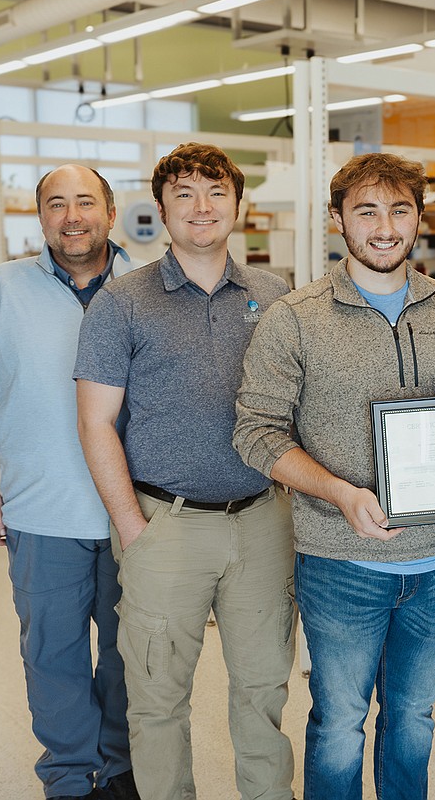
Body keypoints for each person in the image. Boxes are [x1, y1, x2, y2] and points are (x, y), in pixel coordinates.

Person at [232, 152, 435, 800]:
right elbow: (256, 431)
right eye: (366, 210)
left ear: (418, 218)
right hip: (340, 562)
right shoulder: (296, 317)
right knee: (340, 722)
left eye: (400, 209)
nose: (384, 226)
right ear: (337, 220)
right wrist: (340, 492)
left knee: (411, 719)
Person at [73, 143, 295, 800]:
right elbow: (94, 423)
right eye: (186, 193)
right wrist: (132, 527)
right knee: (158, 694)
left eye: (216, 192)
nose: (202, 207)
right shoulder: (121, 303)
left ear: (238, 205)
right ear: (161, 208)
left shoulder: (274, 295)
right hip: (163, 526)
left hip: (260, 522)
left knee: (263, 686)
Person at [0, 164, 140, 800]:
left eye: (86, 202)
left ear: (111, 214)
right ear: (40, 218)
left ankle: (120, 772)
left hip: (133, 515)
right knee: (51, 657)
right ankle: (70, 779)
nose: (72, 216)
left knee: (128, 658)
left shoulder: (148, 287)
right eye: (56, 204)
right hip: (39, 511)